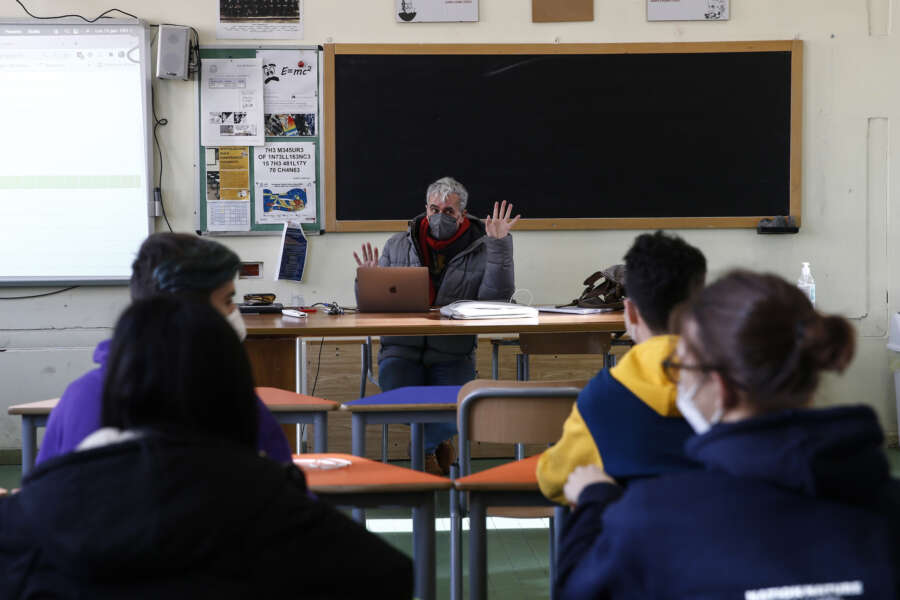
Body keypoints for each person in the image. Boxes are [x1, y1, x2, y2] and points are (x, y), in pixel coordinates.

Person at [0, 296, 413, 597]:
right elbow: (389, 574)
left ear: (115, 388)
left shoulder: (33, 510)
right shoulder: (274, 503)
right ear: (234, 391)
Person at [557, 271, 900, 599]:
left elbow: (578, 590)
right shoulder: (887, 507)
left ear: (720, 388)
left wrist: (593, 503)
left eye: (681, 368)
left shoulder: (651, 518)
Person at [36, 233, 292, 465]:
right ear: (185, 310)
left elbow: (43, 503)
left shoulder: (81, 395)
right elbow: (287, 500)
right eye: (227, 300)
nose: (234, 313)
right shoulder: (228, 398)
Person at [354, 176, 520, 474]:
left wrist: (499, 247)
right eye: (435, 209)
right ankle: (434, 443)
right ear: (425, 209)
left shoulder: (483, 247)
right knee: (398, 402)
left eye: (449, 211)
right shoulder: (398, 244)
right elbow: (374, 307)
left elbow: (497, 301)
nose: (440, 216)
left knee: (457, 408)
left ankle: (422, 448)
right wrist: (366, 281)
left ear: (463, 215)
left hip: (453, 352)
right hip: (400, 350)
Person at [537, 231, 707, 504]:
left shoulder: (604, 396)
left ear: (629, 312)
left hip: (635, 539)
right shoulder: (736, 386)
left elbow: (554, 479)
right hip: (725, 538)